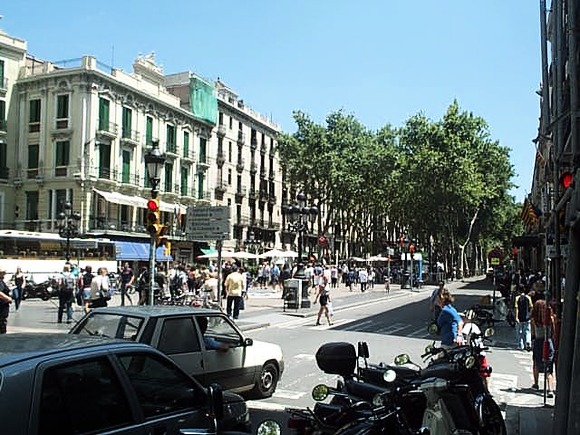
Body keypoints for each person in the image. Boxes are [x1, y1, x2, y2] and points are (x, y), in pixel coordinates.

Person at [531, 297, 556, 397]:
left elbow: (533, 333)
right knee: (549, 367)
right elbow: (553, 332)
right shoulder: (550, 318)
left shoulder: (534, 320)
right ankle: (550, 389)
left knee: (536, 363)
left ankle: (536, 384)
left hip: (538, 342)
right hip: (548, 341)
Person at [514, 286, 533, 351]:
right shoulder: (528, 298)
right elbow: (531, 307)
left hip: (520, 317)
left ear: (518, 291)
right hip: (527, 317)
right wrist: (530, 316)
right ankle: (528, 342)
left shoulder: (517, 298)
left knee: (519, 332)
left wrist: (516, 317)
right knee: (527, 331)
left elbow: (516, 308)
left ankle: (520, 345)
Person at [0, 267, 13, 333]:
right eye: (3, 273)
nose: (4, 275)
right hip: (1, 305)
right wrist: (8, 298)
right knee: (2, 322)